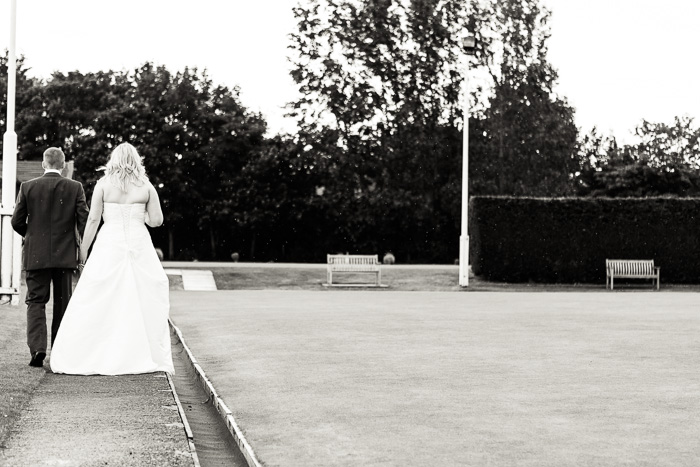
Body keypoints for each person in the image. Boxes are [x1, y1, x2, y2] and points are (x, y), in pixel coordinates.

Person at [50, 142, 174, 375]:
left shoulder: (103, 185)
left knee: (100, 294)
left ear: (113, 160)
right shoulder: (146, 187)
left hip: (110, 243)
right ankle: (137, 353)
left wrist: (83, 250)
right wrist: (140, 214)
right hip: (138, 243)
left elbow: (94, 220)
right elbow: (157, 221)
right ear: (136, 160)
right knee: (142, 294)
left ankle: (96, 352)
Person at [11, 147, 89, 368]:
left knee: (35, 302)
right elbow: (84, 221)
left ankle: (37, 349)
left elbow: (16, 221)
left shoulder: (28, 187)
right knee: (63, 304)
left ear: (43, 164)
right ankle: (60, 351)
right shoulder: (75, 188)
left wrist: (33, 235)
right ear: (63, 165)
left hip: (36, 254)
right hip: (65, 256)